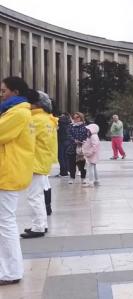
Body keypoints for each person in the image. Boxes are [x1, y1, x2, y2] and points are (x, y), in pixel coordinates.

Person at [0, 76, 35, 286]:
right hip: (8, 171)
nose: (1, 94)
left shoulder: (18, 113)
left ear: (14, 91)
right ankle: (8, 268)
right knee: (5, 222)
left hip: (7, 173)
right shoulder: (16, 112)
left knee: (6, 223)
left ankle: (11, 271)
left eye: (3, 90)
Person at [20, 90, 55, 239]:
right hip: (42, 160)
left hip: (35, 161)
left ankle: (39, 227)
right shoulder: (47, 118)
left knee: (34, 196)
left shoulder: (35, 120)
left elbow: (26, 140)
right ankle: (41, 224)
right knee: (38, 196)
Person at [66, 112, 88, 184]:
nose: (75, 119)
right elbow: (68, 135)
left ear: (81, 117)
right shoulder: (70, 126)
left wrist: (82, 141)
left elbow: (87, 135)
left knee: (82, 164)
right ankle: (72, 177)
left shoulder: (85, 126)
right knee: (72, 164)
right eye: (74, 117)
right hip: (72, 147)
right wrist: (74, 140)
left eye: (77, 117)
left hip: (82, 147)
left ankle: (83, 178)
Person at [56, 112, 71, 177]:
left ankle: (63, 172)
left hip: (60, 141)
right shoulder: (69, 123)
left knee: (60, 157)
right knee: (66, 157)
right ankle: (67, 170)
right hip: (68, 141)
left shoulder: (59, 123)